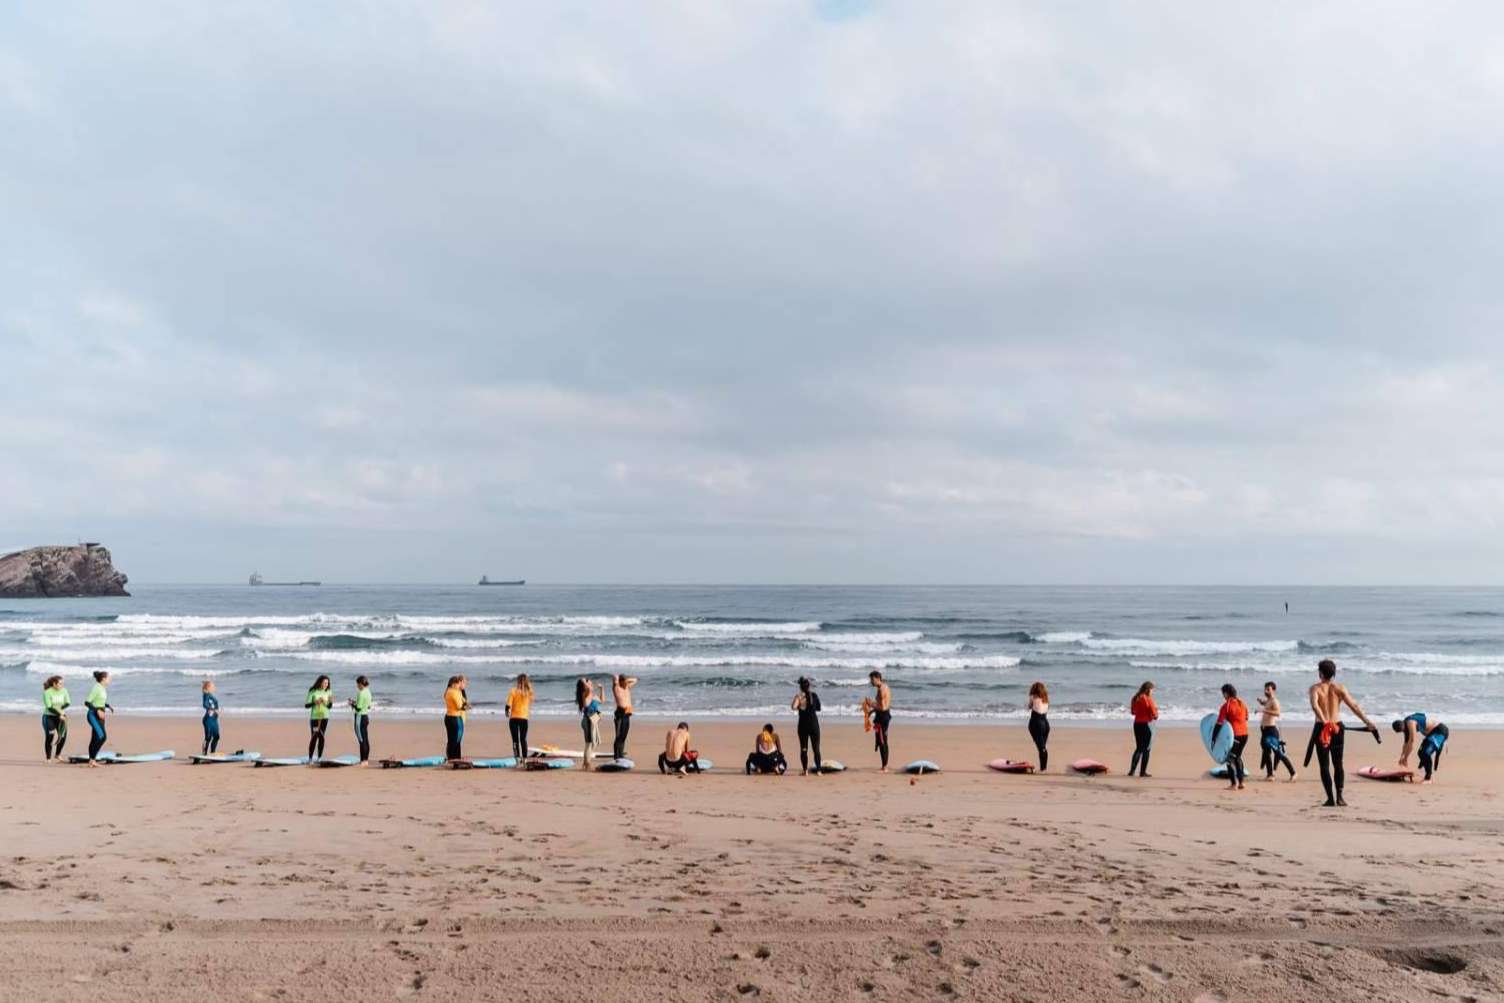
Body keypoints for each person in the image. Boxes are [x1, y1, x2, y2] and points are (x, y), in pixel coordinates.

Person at [1306, 659, 1380, 808]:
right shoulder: (1339, 688)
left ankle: (1330, 799)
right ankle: (1340, 797)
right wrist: (1367, 722)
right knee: (1338, 763)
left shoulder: (1315, 689)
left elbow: (1315, 706)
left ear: (1320, 673)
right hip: (1338, 729)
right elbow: (1354, 706)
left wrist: (1325, 721)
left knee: (1324, 765)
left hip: (1322, 729)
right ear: (1334, 674)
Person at [1209, 684, 1250, 790]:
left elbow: (1219, 723)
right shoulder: (1242, 703)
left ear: (1226, 693)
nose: (1223, 695)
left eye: (1223, 693)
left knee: (1229, 759)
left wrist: (1213, 738)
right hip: (1245, 735)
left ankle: (1233, 784)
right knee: (1238, 757)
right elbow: (1246, 718)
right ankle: (1241, 783)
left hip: (1235, 736)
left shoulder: (1226, 705)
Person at [1257, 681, 1296, 781]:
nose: (1266, 691)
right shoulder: (1268, 700)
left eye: (1268, 689)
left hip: (1271, 731)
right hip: (1265, 731)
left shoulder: (1274, 701)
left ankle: (1293, 773)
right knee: (1266, 752)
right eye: (1265, 689)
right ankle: (1270, 775)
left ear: (1273, 690)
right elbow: (1265, 703)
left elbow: (1277, 713)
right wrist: (1261, 702)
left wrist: (1263, 710)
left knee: (1278, 753)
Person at [1394, 712, 1449, 783]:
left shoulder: (1410, 723)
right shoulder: (1405, 724)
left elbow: (1412, 741)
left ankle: (1428, 779)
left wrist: (1406, 758)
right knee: (1420, 753)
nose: (1403, 732)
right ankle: (1428, 776)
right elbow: (1406, 743)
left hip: (1440, 731)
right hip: (1431, 734)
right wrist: (1402, 757)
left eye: (1403, 730)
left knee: (1425, 753)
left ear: (1402, 726)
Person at [791, 677, 822, 775]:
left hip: (803, 725)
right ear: (809, 686)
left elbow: (793, 707)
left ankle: (805, 771)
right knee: (816, 748)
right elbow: (819, 708)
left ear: (800, 687)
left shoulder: (799, 696)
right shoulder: (814, 695)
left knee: (804, 748)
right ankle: (819, 771)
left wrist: (799, 701)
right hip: (814, 724)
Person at [1128, 681, 1157, 777]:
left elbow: (1132, 712)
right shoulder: (1148, 699)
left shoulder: (1135, 698)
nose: (1152, 692)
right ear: (1148, 689)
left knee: (1139, 748)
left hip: (1137, 724)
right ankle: (1142, 772)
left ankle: (1132, 771)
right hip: (1147, 725)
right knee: (1147, 749)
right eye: (1152, 690)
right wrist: (1156, 714)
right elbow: (1154, 714)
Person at [85, 670, 113, 766]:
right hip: (93, 715)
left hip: (100, 715)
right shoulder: (96, 687)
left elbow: (98, 702)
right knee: (102, 737)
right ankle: (92, 760)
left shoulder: (102, 688)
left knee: (95, 738)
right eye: (109, 678)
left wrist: (107, 706)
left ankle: (91, 761)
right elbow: (87, 702)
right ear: (103, 679)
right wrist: (97, 710)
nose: (110, 679)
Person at [866, 670, 892, 772]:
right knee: (882, 741)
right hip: (883, 716)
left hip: (882, 717)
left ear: (877, 678)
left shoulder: (881, 690)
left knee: (882, 741)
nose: (871, 682)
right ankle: (884, 766)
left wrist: (871, 704)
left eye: (872, 680)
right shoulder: (884, 687)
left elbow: (883, 707)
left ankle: (885, 767)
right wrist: (872, 711)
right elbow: (882, 705)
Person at [577, 677, 605, 768]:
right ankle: (587, 763)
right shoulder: (585, 694)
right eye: (588, 682)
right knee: (589, 743)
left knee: (592, 743)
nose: (591, 684)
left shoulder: (593, 696)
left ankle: (586, 762)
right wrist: (584, 681)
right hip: (588, 721)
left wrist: (602, 689)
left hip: (592, 720)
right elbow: (588, 688)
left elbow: (602, 700)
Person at [305, 675, 334, 761]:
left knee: (321, 737)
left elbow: (330, 706)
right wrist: (315, 702)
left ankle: (319, 758)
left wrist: (326, 702)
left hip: (325, 717)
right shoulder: (313, 691)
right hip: (315, 718)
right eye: (324, 683)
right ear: (320, 682)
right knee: (314, 736)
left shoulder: (329, 692)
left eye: (327, 683)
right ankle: (310, 758)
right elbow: (306, 705)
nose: (326, 684)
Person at [42, 675, 70, 762]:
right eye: (60, 684)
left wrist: (60, 709)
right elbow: (49, 707)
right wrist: (59, 714)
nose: (62, 685)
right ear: (54, 684)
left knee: (63, 736)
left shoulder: (64, 691)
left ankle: (57, 755)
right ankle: (48, 758)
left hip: (61, 717)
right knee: (50, 736)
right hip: (49, 717)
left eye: (62, 684)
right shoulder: (47, 692)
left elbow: (68, 702)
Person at [506, 674, 534, 760]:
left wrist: (507, 713)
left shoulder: (513, 691)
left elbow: (508, 706)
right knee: (523, 739)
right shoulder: (529, 692)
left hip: (514, 718)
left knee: (515, 740)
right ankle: (525, 759)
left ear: (517, 681)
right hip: (524, 718)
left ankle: (517, 759)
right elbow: (531, 701)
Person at [348, 676, 373, 765]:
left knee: (361, 740)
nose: (357, 686)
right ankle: (365, 760)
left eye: (357, 684)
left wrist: (351, 703)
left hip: (359, 718)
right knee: (365, 739)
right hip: (366, 717)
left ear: (361, 684)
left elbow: (358, 708)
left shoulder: (361, 693)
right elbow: (368, 706)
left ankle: (363, 761)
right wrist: (355, 703)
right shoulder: (368, 692)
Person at [444, 675, 469, 761]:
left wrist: (465, 705)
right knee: (456, 739)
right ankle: (454, 758)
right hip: (455, 718)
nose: (459, 686)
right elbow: (459, 705)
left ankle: (454, 757)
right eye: (458, 684)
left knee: (452, 739)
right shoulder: (453, 692)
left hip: (449, 717)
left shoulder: (448, 691)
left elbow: (464, 701)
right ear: (454, 684)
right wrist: (466, 706)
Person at [612, 674, 638, 759]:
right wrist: (618, 679)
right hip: (620, 714)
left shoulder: (627, 687)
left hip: (627, 714)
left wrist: (626, 680)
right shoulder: (616, 688)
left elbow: (635, 680)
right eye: (624, 681)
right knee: (618, 736)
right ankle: (617, 756)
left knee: (624, 736)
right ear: (620, 682)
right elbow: (615, 677)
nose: (626, 682)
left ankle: (621, 754)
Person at [1027, 681, 1050, 772]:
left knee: (1041, 748)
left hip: (1036, 723)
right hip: (1045, 724)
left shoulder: (1033, 697)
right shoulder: (1046, 700)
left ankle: (1043, 769)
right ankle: (1043, 768)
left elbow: (1029, 707)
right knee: (1043, 747)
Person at [201, 680, 221, 755]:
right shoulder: (206, 695)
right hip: (208, 720)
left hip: (214, 720)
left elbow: (215, 707)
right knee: (208, 737)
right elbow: (204, 704)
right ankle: (204, 753)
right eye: (213, 686)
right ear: (208, 687)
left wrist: (217, 711)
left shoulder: (212, 696)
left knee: (216, 736)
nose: (214, 687)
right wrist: (210, 709)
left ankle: (213, 753)